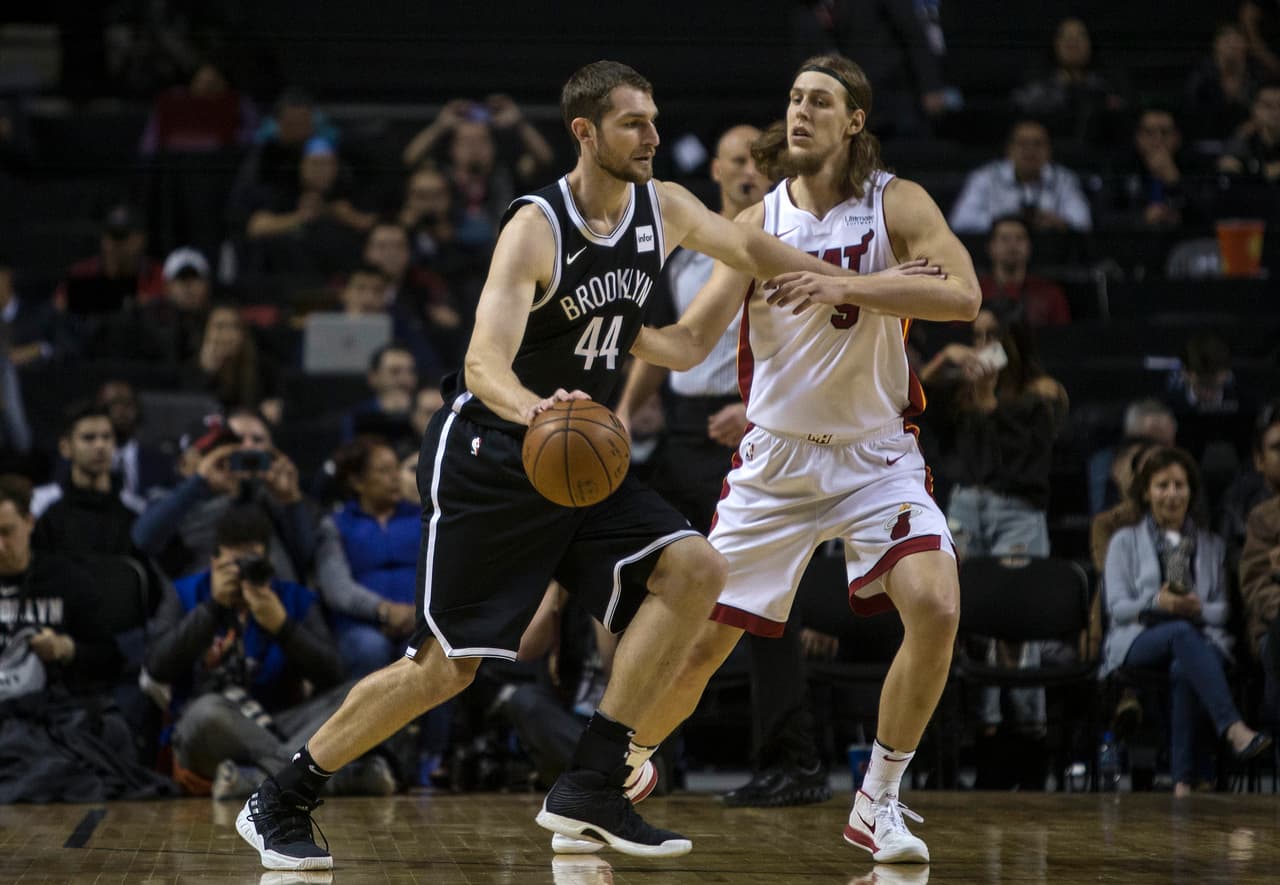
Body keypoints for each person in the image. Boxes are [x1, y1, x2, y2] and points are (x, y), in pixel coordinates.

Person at [234, 59, 910, 871]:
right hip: (493, 454)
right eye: (634, 123)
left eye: (656, 119)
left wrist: (876, 285)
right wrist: (540, 410)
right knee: (443, 669)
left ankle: (593, 778)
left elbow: (746, 256)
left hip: (584, 461)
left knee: (697, 569)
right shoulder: (536, 227)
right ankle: (283, 792)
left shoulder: (664, 207)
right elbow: (484, 362)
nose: (654, 136)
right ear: (585, 133)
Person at [615, 53, 978, 864]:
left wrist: (851, 286)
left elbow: (962, 295)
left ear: (855, 121)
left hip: (876, 452)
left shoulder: (898, 202)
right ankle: (616, 764)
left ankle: (877, 801)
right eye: (793, 98)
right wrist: (608, 324)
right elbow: (687, 343)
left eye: (820, 100)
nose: (801, 111)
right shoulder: (754, 227)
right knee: (704, 645)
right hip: (775, 460)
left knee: (939, 605)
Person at [619, 123, 829, 808]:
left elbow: (820, 346)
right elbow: (664, 348)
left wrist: (760, 409)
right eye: (736, 160)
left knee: (761, 604)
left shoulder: (785, 248)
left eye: (759, 164)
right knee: (664, 593)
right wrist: (623, 414)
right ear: (714, 166)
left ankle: (791, 762)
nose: (748, 172)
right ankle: (648, 760)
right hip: (684, 434)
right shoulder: (681, 252)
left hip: (761, 426)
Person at [144, 505, 395, 801]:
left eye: (253, 563)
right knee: (205, 713)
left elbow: (332, 673)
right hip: (216, 732)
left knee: (362, 693)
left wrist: (283, 627)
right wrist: (212, 608)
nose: (243, 574)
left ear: (267, 560)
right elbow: (157, 666)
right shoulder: (185, 593)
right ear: (214, 561)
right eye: (234, 565)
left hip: (286, 722)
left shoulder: (291, 598)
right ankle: (333, 779)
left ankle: (257, 780)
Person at [1101, 446, 1272, 796]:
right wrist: (1157, 602)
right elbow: (1117, 608)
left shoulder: (1211, 545)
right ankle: (1233, 728)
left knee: (1183, 666)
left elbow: (1223, 610)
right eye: (1162, 485)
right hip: (1138, 639)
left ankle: (1182, 782)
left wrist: (1196, 609)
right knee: (1178, 631)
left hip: (1198, 640)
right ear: (1147, 492)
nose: (1172, 494)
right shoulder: (1123, 541)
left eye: (1180, 485)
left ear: (1191, 492)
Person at [312, 436, 419, 678]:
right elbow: (336, 587)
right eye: (384, 471)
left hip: (420, 621)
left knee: (426, 649)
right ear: (357, 482)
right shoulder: (335, 525)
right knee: (369, 648)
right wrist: (383, 610)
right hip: (362, 627)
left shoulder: (422, 519)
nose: (395, 477)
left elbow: (443, 573)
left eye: (396, 469)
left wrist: (418, 614)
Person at [31, 403, 145, 554]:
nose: (100, 445)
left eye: (107, 437)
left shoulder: (135, 510)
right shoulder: (40, 507)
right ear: (65, 447)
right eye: (88, 438)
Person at [949, 120, 1093, 235]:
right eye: (1023, 144)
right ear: (1009, 150)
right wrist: (1006, 221)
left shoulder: (1064, 179)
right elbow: (959, 221)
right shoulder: (985, 177)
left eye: (1037, 144)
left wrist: (1058, 223)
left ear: (1049, 151)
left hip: (1050, 255)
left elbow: (1083, 222)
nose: (1030, 151)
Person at [976, 215, 1071, 327]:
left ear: (1029, 247)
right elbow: (958, 337)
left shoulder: (1050, 293)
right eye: (1004, 239)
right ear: (991, 247)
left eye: (1020, 238)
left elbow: (1064, 337)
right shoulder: (975, 292)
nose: (1012, 245)